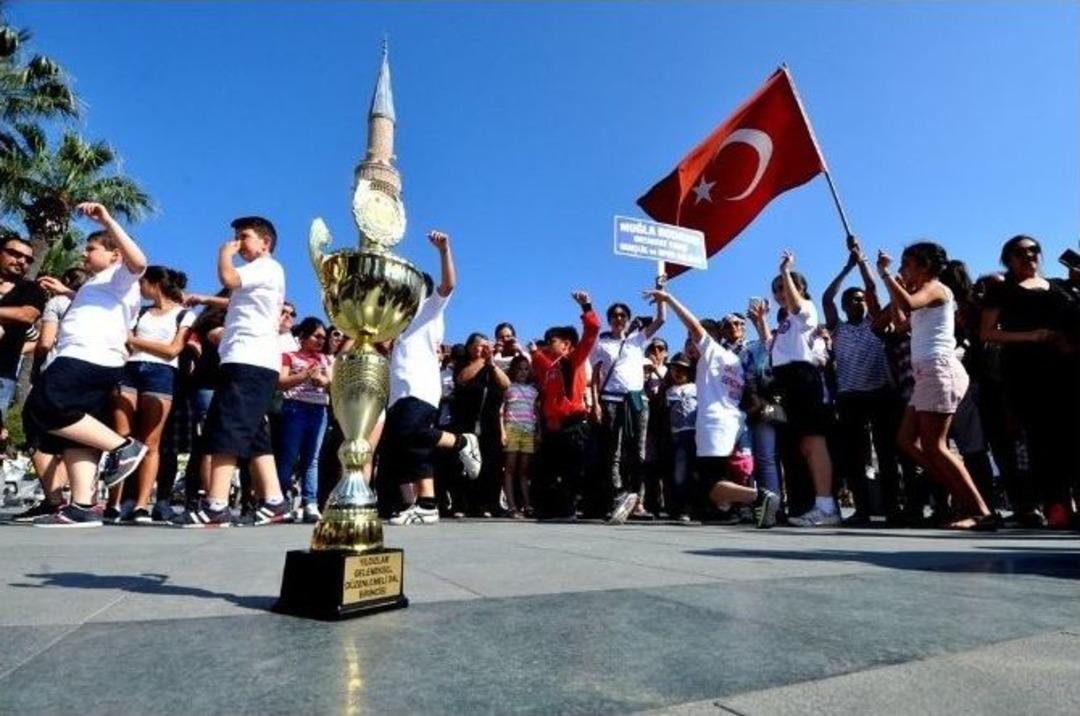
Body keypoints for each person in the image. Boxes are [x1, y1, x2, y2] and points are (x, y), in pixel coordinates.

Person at [26, 202, 149, 528]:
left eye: (91, 248)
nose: (83, 252)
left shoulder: (122, 275)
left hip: (86, 356)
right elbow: (99, 304)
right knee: (76, 433)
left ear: (114, 255)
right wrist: (66, 290)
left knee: (43, 408)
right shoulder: (100, 284)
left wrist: (107, 220)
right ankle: (82, 505)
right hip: (94, 358)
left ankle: (123, 447)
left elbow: (139, 262)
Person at [173, 216, 292, 527]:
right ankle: (276, 500)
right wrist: (205, 298)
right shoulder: (263, 273)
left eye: (245, 237)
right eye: (236, 238)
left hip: (249, 360)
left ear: (266, 243)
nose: (239, 243)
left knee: (227, 427)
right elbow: (240, 297)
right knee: (254, 434)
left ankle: (216, 504)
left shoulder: (265, 266)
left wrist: (224, 252)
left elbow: (229, 280)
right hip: (252, 360)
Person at [877, 242, 994, 530]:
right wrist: (895, 289)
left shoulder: (935, 288)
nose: (903, 268)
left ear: (925, 265)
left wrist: (885, 276)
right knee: (907, 440)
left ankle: (980, 511)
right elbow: (902, 323)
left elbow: (908, 304)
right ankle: (960, 494)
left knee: (935, 446)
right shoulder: (921, 293)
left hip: (938, 371)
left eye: (907, 263)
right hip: (926, 375)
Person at [643, 288, 779, 528]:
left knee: (709, 484)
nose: (691, 342)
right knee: (720, 478)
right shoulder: (735, 360)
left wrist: (669, 299)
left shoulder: (713, 351)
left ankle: (759, 497)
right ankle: (753, 503)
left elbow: (694, 325)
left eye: (692, 338)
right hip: (735, 422)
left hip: (714, 424)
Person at [382, 230, 482, 526]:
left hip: (420, 386)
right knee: (405, 446)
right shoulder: (396, 323)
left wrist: (444, 249)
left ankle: (462, 442)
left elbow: (449, 284)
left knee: (414, 434)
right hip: (398, 392)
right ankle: (425, 504)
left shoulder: (429, 309)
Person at [981, 235, 1078, 528]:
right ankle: (1056, 505)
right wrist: (1030, 336)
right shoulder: (1003, 290)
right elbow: (986, 332)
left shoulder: (1060, 287)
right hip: (1028, 373)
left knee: (1071, 437)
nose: (1029, 256)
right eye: (1021, 252)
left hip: (1067, 369)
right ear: (1008, 258)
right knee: (1042, 440)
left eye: (1034, 250)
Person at [821, 239, 902, 525]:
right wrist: (847, 268)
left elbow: (871, 289)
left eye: (860, 299)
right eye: (851, 299)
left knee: (887, 452)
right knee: (854, 456)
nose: (858, 302)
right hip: (850, 398)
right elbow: (827, 298)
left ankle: (892, 507)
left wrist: (863, 263)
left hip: (881, 394)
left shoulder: (874, 323)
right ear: (844, 306)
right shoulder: (838, 329)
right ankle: (863, 509)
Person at [109, 265, 195, 524]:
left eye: (142, 282)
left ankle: (141, 504)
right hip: (129, 370)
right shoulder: (140, 311)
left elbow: (172, 351)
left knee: (150, 442)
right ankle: (114, 503)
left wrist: (134, 341)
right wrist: (133, 341)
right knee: (122, 438)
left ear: (155, 282)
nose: (139, 287)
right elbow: (124, 340)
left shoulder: (184, 315)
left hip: (162, 374)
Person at [764, 251, 839, 527]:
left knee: (813, 441)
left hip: (802, 378)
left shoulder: (806, 308)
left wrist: (785, 270)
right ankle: (808, 503)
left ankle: (826, 506)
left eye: (785, 287)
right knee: (797, 445)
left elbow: (796, 307)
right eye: (776, 290)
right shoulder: (786, 324)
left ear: (800, 288)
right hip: (783, 382)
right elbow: (773, 349)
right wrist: (760, 321)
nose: (780, 293)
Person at [9, 267, 89, 523]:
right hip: (88, 371)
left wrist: (35, 368)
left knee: (36, 430)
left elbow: (44, 343)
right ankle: (80, 499)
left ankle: (54, 500)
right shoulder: (94, 305)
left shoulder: (56, 302)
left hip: (56, 370)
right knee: (72, 435)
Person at [590, 298, 666, 523]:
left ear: (629, 319)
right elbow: (595, 377)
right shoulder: (602, 343)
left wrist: (661, 295)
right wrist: (595, 403)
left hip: (637, 400)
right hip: (611, 400)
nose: (619, 319)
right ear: (609, 319)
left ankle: (638, 502)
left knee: (639, 452)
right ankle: (617, 498)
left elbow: (661, 319)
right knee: (613, 451)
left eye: (623, 315)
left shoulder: (637, 339)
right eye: (615, 316)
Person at [530, 291, 600, 518]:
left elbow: (592, 332)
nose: (548, 346)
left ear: (567, 344)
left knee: (575, 470)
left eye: (552, 341)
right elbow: (540, 366)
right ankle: (553, 509)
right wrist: (534, 352)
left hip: (573, 426)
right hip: (553, 427)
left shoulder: (574, 359)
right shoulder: (550, 368)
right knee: (549, 470)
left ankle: (589, 507)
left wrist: (586, 307)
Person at [276, 317, 333, 522]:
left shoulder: (326, 359)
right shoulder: (288, 356)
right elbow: (281, 382)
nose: (320, 341)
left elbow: (332, 385)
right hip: (295, 408)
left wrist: (323, 380)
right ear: (303, 336)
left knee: (312, 459)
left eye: (323, 337)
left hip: (319, 411)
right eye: (316, 336)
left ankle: (310, 502)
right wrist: (304, 376)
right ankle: (280, 501)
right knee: (289, 457)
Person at [452, 332, 510, 516]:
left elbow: (506, 384)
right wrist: (481, 361)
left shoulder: (490, 367)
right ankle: (461, 505)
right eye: (480, 345)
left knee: (490, 465)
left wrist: (491, 364)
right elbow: (462, 378)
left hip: (489, 425)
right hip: (466, 422)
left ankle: (487, 504)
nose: (484, 349)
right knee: (464, 464)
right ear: (470, 347)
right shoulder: (463, 364)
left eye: (487, 345)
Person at [0, 234, 48, 417]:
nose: (21, 261)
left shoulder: (31, 289)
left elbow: (26, 315)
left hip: (3, 371)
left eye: (28, 259)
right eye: (14, 254)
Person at [500, 355, 538, 517]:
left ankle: (527, 504)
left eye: (525, 369)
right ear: (513, 370)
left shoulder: (533, 390)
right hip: (512, 429)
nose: (522, 372)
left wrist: (538, 432)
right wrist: (502, 431)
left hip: (528, 431)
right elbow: (501, 412)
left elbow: (536, 413)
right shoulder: (508, 388)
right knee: (509, 469)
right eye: (519, 369)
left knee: (524, 470)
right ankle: (511, 506)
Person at [664, 352, 697, 522]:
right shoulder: (668, 391)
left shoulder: (696, 388)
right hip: (677, 435)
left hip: (695, 433)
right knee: (680, 473)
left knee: (696, 472)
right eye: (675, 369)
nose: (678, 373)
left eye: (683, 369)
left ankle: (697, 507)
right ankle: (682, 507)